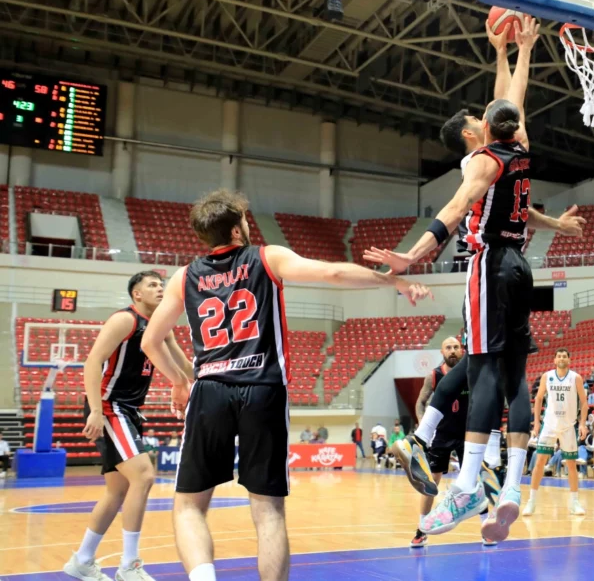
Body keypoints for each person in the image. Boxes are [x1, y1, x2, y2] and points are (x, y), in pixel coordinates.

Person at [140, 189, 431, 581]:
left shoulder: (183, 276)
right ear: (239, 228)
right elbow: (331, 272)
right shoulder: (266, 257)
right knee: (268, 510)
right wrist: (391, 281)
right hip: (262, 387)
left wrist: (179, 381)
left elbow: (150, 341)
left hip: (209, 389)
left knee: (190, 506)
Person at [371, 16, 586, 543]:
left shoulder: (481, 161)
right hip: (520, 265)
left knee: (484, 370)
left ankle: (467, 482)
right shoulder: (520, 146)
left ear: (483, 131)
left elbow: (455, 204)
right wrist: (519, 51)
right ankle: (511, 486)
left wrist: (413, 256)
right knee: (513, 373)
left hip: (488, 264)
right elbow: (510, 101)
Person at [64, 271, 194, 581]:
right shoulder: (125, 320)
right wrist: (96, 410)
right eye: (152, 285)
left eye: (162, 285)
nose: (160, 289)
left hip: (130, 411)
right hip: (109, 407)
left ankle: (81, 560)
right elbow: (92, 361)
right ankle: (129, 565)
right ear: (137, 294)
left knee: (116, 492)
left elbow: (184, 367)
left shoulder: (162, 327)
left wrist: (211, 377)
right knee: (145, 475)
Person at [410, 336, 498, 548]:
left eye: (456, 347)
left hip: (468, 434)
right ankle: (422, 529)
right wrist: (423, 424)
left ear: (462, 350)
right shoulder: (434, 376)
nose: (452, 350)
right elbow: (420, 402)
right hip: (441, 434)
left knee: (475, 481)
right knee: (430, 483)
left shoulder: (472, 373)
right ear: (442, 351)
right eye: (448, 347)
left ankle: (487, 528)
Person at [524, 348, 589, 516]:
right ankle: (531, 501)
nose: (561, 358)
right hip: (550, 425)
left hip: (568, 426)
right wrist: (537, 422)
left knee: (571, 465)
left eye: (564, 356)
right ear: (554, 360)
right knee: (539, 462)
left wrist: (582, 424)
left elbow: (584, 402)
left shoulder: (576, 378)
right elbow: (538, 399)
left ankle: (574, 503)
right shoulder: (547, 376)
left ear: (569, 359)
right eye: (559, 356)